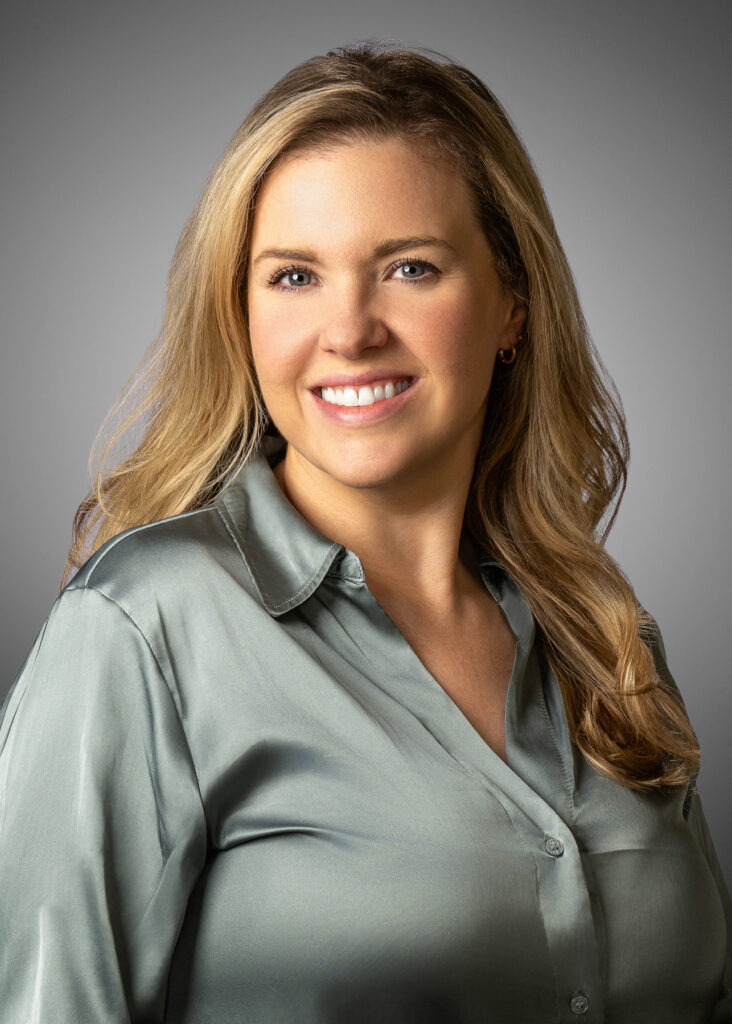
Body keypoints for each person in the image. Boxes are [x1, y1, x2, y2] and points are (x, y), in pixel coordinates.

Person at [0, 40, 729, 1023]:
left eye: (409, 268)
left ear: (513, 306)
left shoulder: (606, 640)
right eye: (294, 277)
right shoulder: (141, 631)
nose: (349, 330)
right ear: (239, 312)